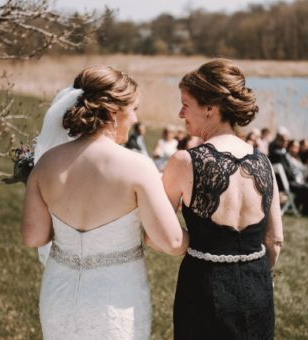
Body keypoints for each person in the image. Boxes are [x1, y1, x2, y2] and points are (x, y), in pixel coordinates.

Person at [23, 66, 187, 339]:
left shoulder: (46, 165)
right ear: (113, 112)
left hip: (59, 295)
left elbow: (34, 237)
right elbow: (171, 243)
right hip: (116, 298)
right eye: (133, 108)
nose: (135, 117)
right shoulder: (137, 167)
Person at [163, 59, 283, 339]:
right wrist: (255, 275)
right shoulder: (264, 162)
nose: (181, 113)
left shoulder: (184, 162)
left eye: (185, 103)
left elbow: (159, 235)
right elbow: (275, 241)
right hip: (257, 288)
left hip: (204, 289)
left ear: (210, 108)